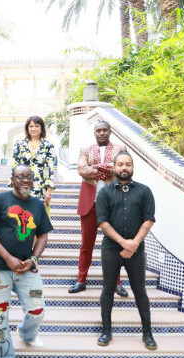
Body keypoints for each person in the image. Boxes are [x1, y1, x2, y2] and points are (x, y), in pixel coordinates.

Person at [0, 165, 53, 358]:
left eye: (29, 177)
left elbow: (43, 235)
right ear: (12, 179)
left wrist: (34, 259)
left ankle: (27, 334)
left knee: (37, 310)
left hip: (26, 268)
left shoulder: (37, 205)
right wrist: (7, 258)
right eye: (21, 177)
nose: (25, 180)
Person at [96, 151, 157, 350]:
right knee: (107, 289)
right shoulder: (104, 192)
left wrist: (134, 244)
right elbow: (102, 222)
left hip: (136, 250)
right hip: (111, 249)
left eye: (128, 164)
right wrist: (123, 243)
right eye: (120, 164)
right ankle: (106, 331)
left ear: (132, 167)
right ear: (114, 167)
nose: (124, 168)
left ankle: (147, 333)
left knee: (140, 291)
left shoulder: (144, 191)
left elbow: (149, 219)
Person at [69, 121, 128, 297]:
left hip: (113, 204)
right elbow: (81, 169)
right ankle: (81, 281)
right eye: (98, 130)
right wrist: (103, 168)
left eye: (104, 130)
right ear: (94, 133)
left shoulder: (120, 148)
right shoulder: (86, 149)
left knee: (116, 244)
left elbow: (121, 168)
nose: (101, 133)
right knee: (86, 245)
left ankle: (117, 283)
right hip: (90, 203)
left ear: (110, 131)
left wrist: (95, 168)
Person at [11, 116, 55, 215]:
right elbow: (14, 166)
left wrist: (49, 191)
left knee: (39, 218)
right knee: (21, 218)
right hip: (22, 187)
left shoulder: (48, 145)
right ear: (27, 128)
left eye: (37, 126)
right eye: (31, 126)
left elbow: (50, 169)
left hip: (40, 188)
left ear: (41, 128)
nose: (34, 129)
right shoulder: (19, 144)